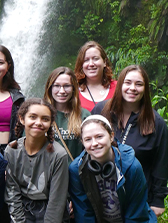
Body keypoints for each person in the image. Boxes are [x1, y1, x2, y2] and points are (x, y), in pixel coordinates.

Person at [92, 65, 168, 218]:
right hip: (101, 195)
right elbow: (85, 149)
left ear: (145, 88)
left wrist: (158, 200)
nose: (132, 88)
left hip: (138, 199)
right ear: (120, 84)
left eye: (138, 84)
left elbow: (161, 162)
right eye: (128, 83)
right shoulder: (101, 111)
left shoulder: (156, 123)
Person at [69, 115, 157, 222]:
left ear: (111, 136)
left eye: (99, 136)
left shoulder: (132, 167)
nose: (94, 143)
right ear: (83, 143)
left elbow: (135, 214)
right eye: (88, 139)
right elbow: (84, 215)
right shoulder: (76, 170)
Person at [4, 98, 69, 223]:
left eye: (45, 119)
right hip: (22, 209)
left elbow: (57, 200)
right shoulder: (11, 150)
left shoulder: (58, 154)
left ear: (51, 123)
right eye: (33, 117)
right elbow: (12, 193)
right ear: (22, 119)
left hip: (50, 211)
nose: (38, 123)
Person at [44, 66, 90, 163]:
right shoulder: (41, 114)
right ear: (50, 88)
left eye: (67, 86)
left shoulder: (84, 115)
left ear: (73, 88)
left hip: (75, 174)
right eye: (56, 86)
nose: (62, 91)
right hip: (48, 174)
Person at [74, 41, 117, 111]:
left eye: (95, 59)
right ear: (81, 65)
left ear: (105, 62)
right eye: (86, 60)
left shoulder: (118, 88)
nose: (91, 64)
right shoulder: (74, 91)